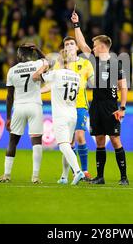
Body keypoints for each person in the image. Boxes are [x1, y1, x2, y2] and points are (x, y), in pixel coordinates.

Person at [71, 10, 129, 185]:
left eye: (95, 45)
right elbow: (81, 44)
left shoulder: (116, 63)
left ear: (103, 46)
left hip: (111, 106)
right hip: (96, 105)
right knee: (100, 140)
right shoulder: (94, 62)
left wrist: (123, 107)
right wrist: (76, 25)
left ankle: (124, 177)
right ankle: (100, 176)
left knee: (115, 139)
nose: (92, 48)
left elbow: (123, 86)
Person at [42, 36, 95, 181]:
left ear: (77, 48)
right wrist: (39, 92)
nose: (70, 46)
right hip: (66, 108)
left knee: (79, 136)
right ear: (64, 49)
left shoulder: (86, 63)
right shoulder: (60, 66)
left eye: (72, 43)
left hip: (80, 105)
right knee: (69, 143)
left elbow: (94, 83)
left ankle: (84, 171)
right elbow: (51, 85)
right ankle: (68, 175)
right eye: (67, 44)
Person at [0, 43, 46, 184]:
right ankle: (35, 177)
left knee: (13, 141)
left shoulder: (12, 71)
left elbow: (9, 96)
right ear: (31, 54)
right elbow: (48, 62)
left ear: (20, 55)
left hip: (19, 107)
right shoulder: (37, 64)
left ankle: (6, 174)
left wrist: (8, 117)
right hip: (35, 106)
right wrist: (38, 49)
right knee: (36, 141)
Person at [33, 50, 85, 185]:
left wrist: (44, 66)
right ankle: (64, 176)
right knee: (68, 144)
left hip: (61, 114)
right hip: (72, 113)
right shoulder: (76, 76)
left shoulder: (56, 74)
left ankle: (78, 171)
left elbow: (35, 76)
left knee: (63, 146)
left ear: (59, 61)